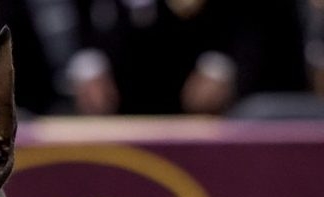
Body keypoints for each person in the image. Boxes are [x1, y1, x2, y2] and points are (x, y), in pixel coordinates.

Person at [66, 0, 308, 115]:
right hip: (117, 85)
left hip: (202, 82)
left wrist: (221, 65)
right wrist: (87, 64)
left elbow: (254, 20)